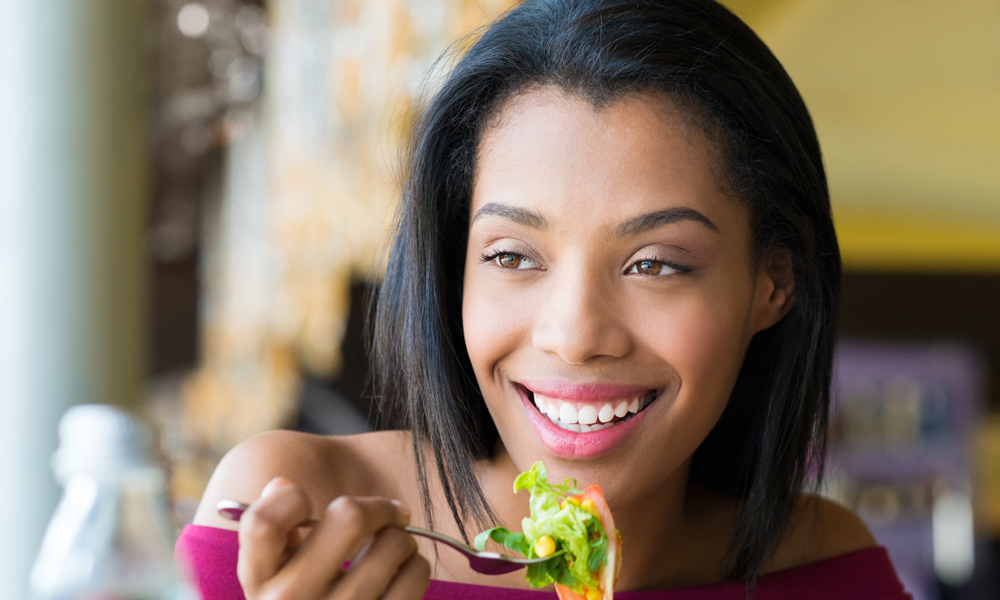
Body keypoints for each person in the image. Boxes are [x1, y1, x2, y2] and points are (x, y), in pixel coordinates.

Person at [176, 1, 912, 598]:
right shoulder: (290, 517)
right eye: (512, 256)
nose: (574, 333)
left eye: (655, 264)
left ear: (772, 284)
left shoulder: (822, 571)